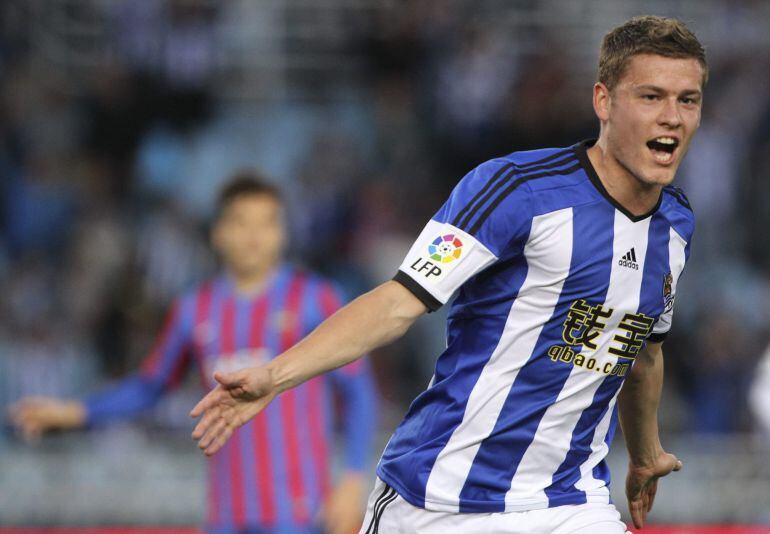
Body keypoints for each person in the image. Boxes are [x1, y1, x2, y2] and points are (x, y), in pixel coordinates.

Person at [189, 15, 705, 533]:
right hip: (438, 500)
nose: (672, 118)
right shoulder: (515, 190)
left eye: (688, 100)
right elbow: (397, 303)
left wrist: (645, 452)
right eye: (651, 97)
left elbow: (642, 352)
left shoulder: (675, 226)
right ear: (603, 101)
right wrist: (276, 376)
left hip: (568, 506)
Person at [10, 174, 378, 534]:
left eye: (267, 223)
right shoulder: (195, 310)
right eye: (240, 222)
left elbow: (358, 390)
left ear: (282, 233)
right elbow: (150, 387)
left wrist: (353, 478)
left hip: (300, 512)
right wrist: (76, 413)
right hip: (225, 513)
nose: (254, 235)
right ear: (218, 233)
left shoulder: (315, 300)